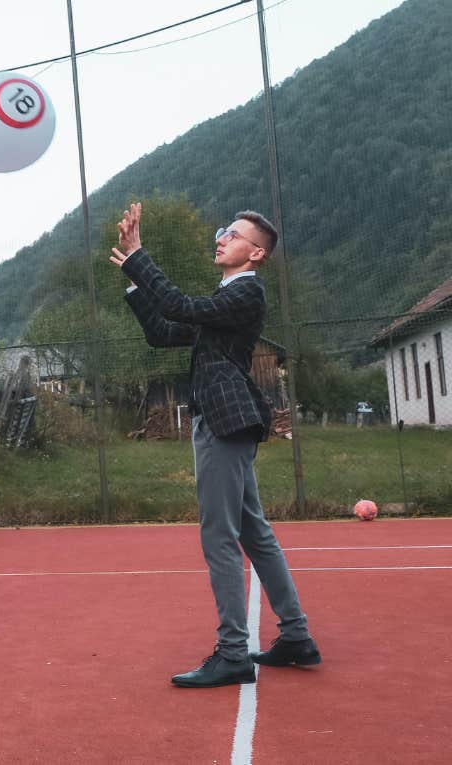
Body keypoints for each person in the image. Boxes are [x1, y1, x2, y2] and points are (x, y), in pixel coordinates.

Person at [111, 202, 320, 688]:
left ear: (257, 254)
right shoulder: (226, 298)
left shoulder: (246, 293)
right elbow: (165, 333)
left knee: (220, 538)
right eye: (223, 231)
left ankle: (232, 654)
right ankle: (296, 636)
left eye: (234, 234)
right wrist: (136, 281)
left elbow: (181, 307)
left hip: (224, 424)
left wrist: (142, 255)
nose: (221, 237)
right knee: (254, 534)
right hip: (229, 423)